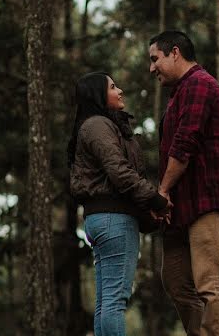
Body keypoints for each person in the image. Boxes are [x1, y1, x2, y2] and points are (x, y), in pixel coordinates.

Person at [148, 30, 219, 336]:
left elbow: (184, 144)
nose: (152, 68)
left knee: (211, 282)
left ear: (174, 52)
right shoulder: (179, 93)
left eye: (155, 59)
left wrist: (161, 191)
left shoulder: (200, 84)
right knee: (176, 280)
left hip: (208, 200)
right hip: (181, 208)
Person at [69, 71, 171, 336]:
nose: (120, 90)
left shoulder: (98, 125)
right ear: (98, 95)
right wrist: (156, 198)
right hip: (113, 219)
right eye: (113, 87)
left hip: (101, 219)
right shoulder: (98, 125)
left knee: (106, 301)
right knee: (116, 299)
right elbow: (120, 172)